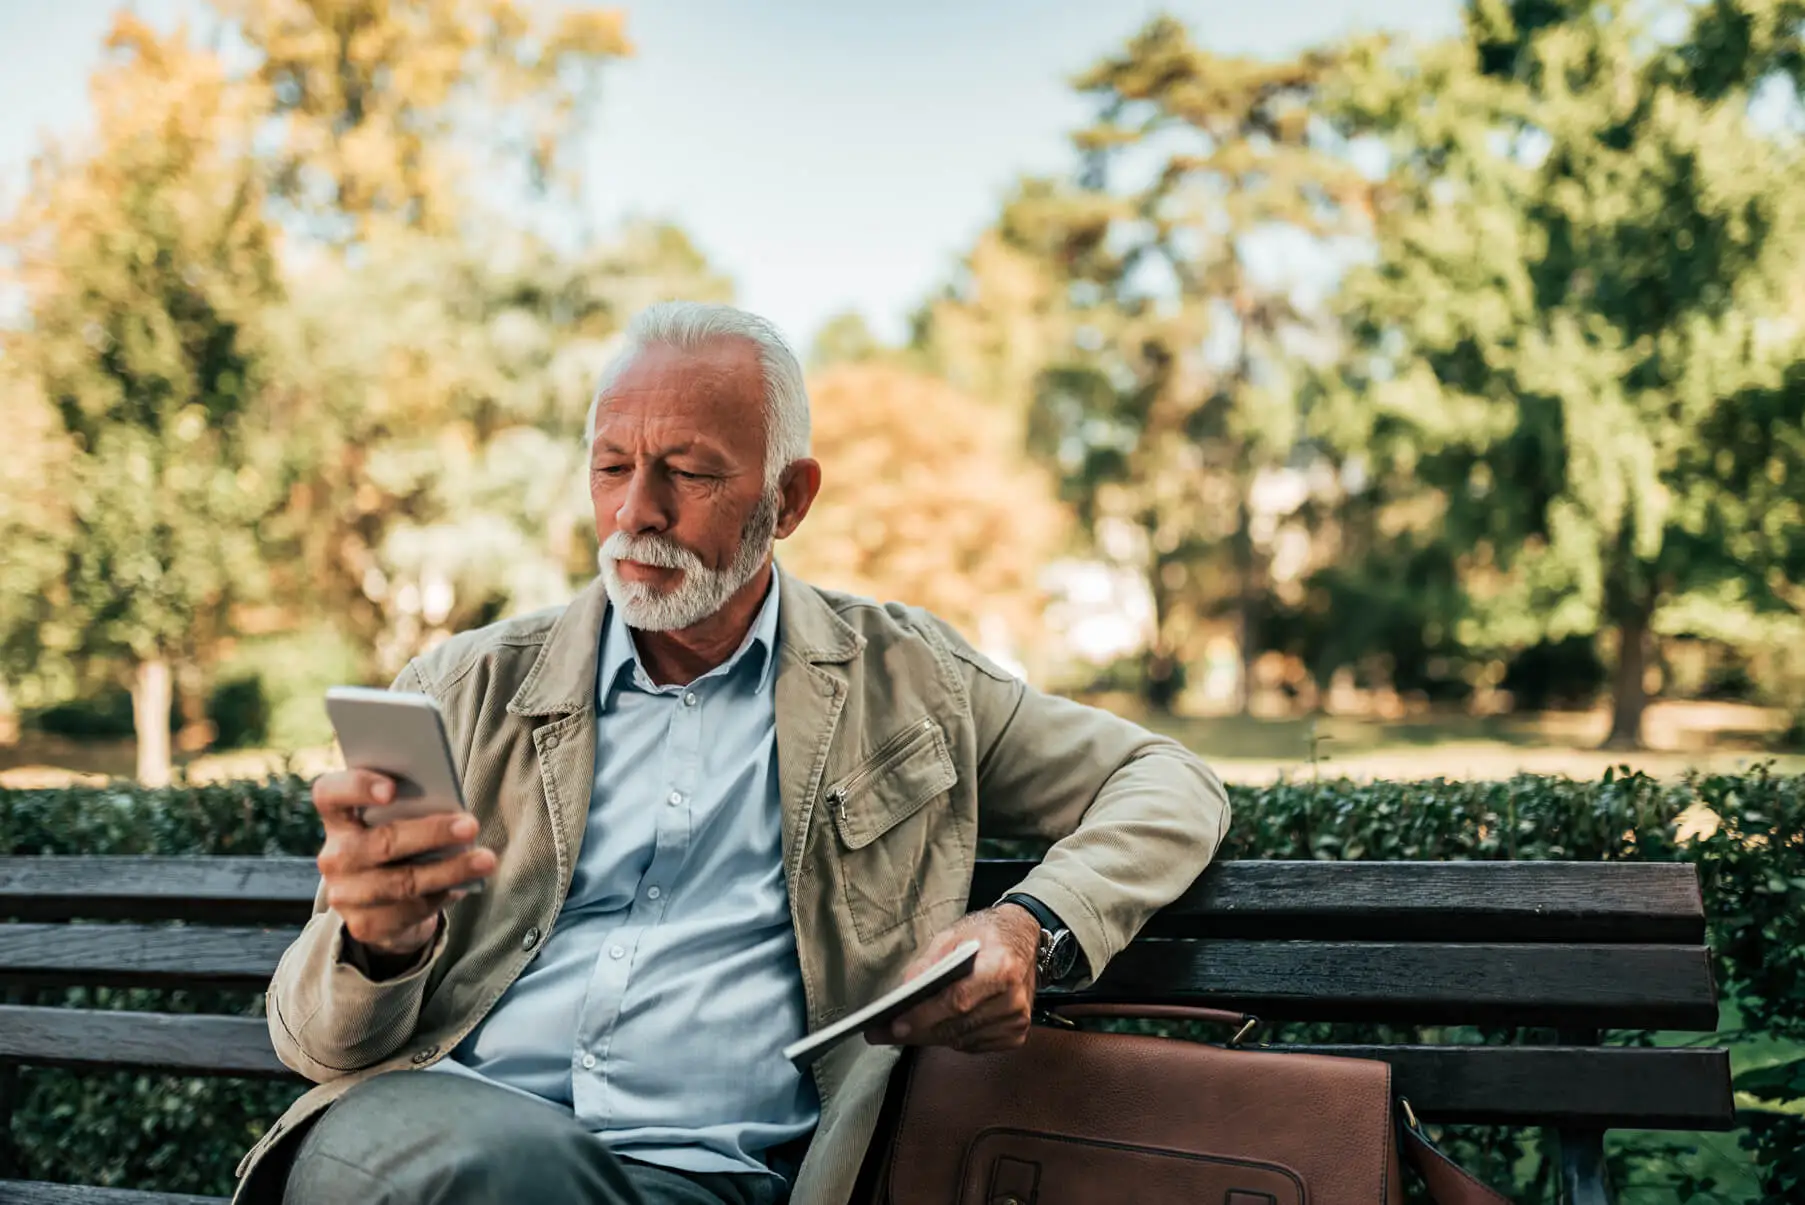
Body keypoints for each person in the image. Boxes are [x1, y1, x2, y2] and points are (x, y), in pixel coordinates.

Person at [235, 302, 1230, 1205]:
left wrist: (1027, 924)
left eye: (689, 471)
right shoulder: (456, 688)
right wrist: (377, 945)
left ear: (789, 499)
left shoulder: (909, 683)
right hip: (430, 1137)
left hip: (703, 1179)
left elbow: (1167, 780)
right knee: (484, 1165)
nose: (635, 512)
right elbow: (320, 1044)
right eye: (611, 464)